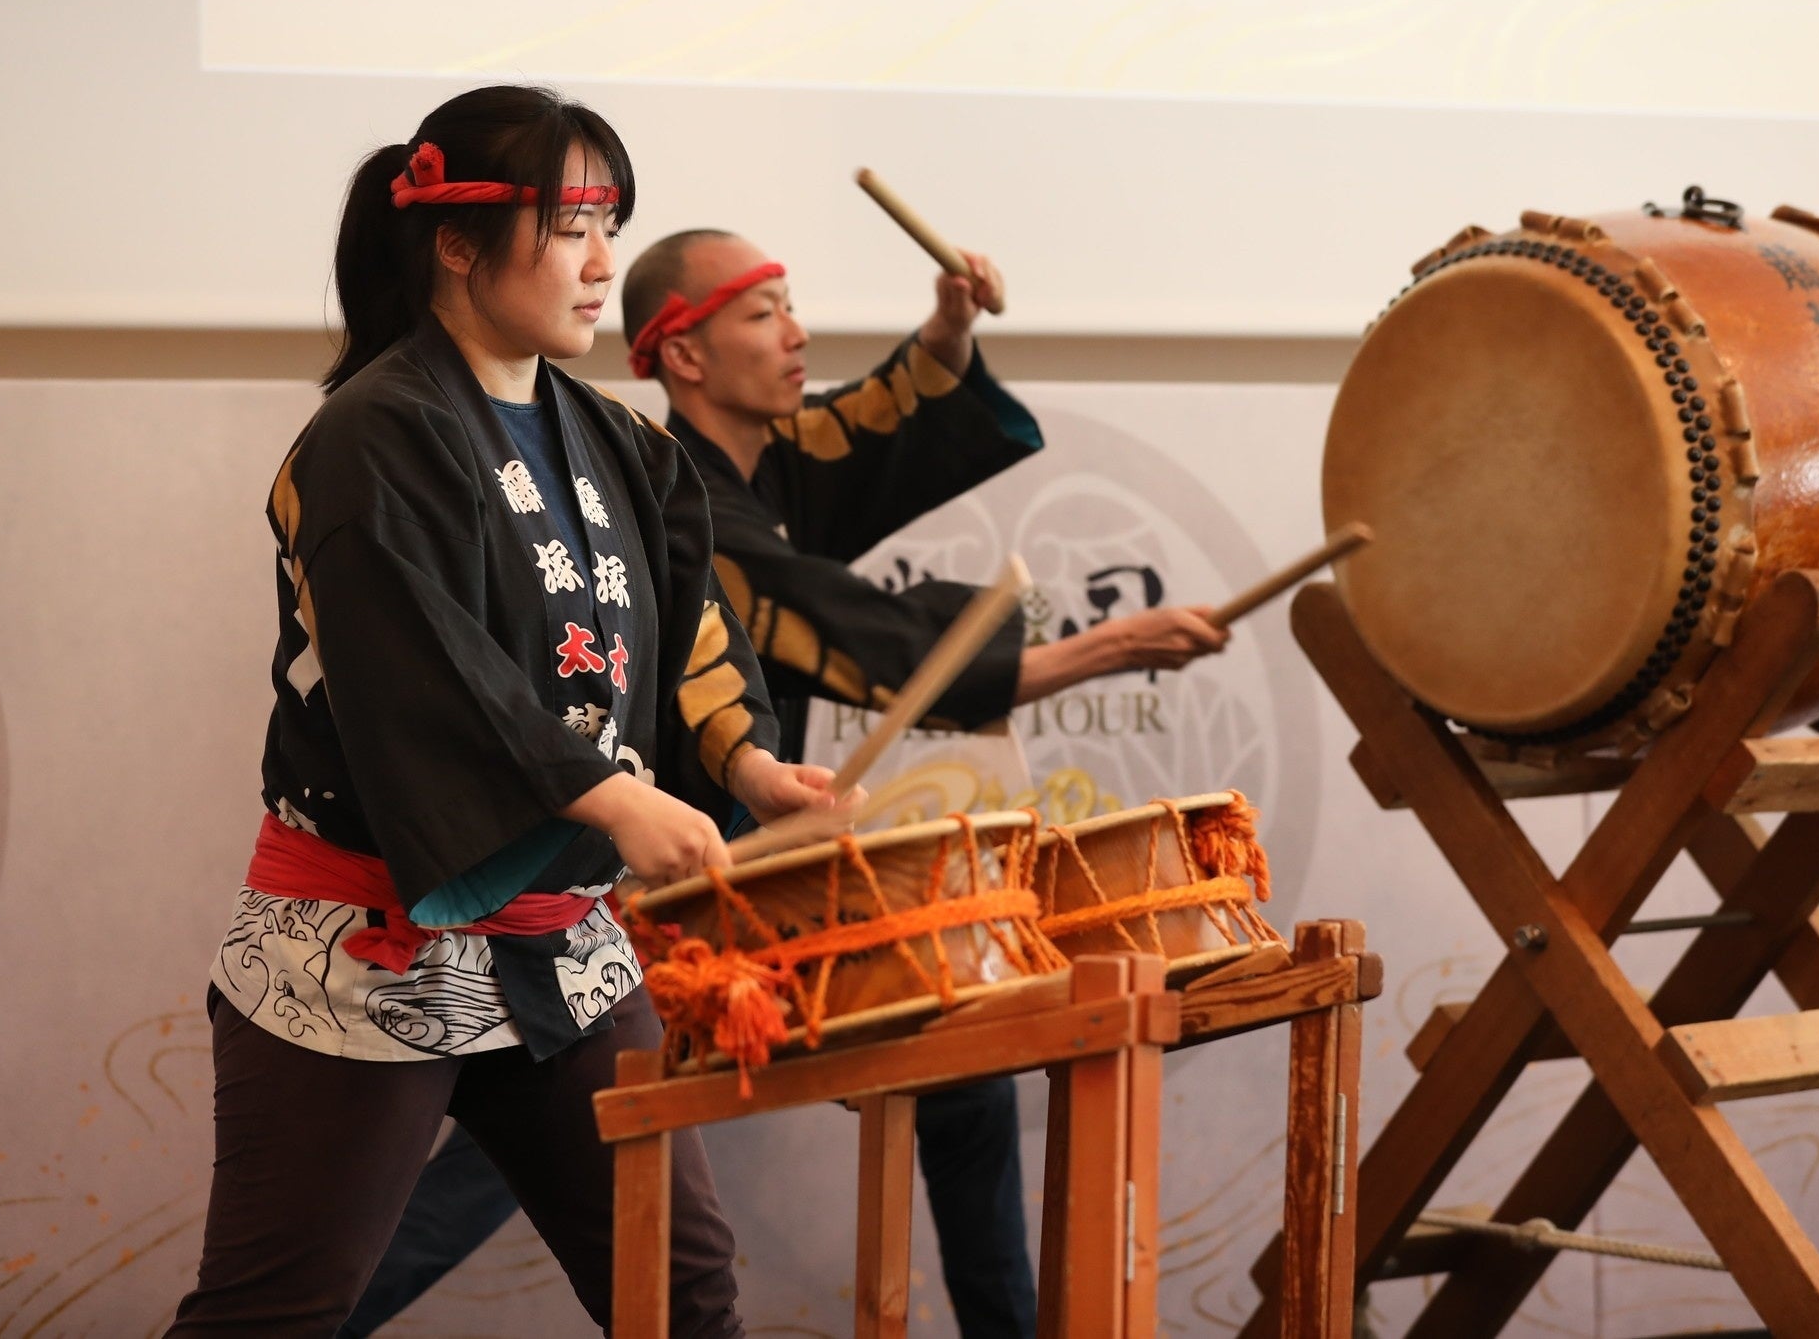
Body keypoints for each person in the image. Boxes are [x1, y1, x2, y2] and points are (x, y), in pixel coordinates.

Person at [343, 227, 1227, 1339]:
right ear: (685, 358)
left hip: (741, 879)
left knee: (955, 1087)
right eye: (764, 316)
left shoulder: (768, 470)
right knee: (519, 1154)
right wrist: (1104, 647)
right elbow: (848, 626)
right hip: (645, 890)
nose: (798, 334)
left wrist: (949, 331)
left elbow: (865, 436)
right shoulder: (674, 498)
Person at [169, 83, 837, 1339]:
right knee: (277, 1314)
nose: (601, 264)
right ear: (458, 244)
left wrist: (745, 763)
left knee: (682, 1293)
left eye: (609, 222)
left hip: (563, 949)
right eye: (569, 223)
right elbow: (419, 665)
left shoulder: (617, 440)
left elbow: (686, 617)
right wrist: (613, 795)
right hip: (366, 940)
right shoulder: (370, 433)